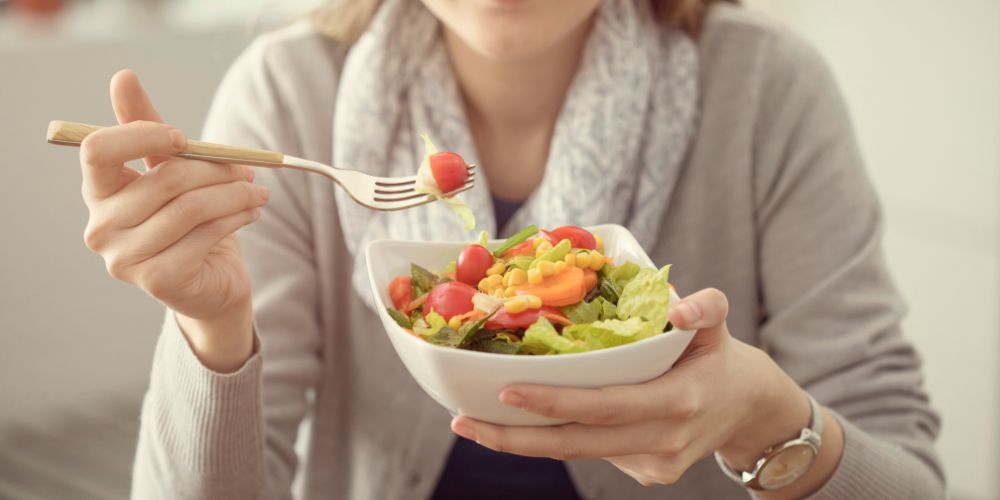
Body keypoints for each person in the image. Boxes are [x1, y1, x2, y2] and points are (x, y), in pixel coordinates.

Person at [74, 0, 945, 498]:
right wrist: (213, 332)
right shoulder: (289, 92)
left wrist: (763, 420)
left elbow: (908, 473)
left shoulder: (765, 88)